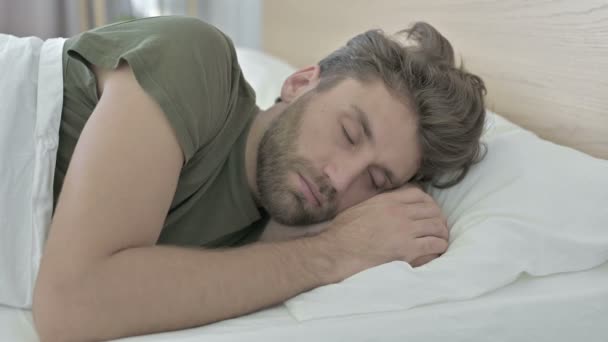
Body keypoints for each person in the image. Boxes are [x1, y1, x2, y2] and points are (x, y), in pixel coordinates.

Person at [32, 16, 486, 341]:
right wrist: (329, 254)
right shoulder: (196, 61)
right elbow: (70, 306)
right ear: (300, 82)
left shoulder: (261, 244)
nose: (340, 179)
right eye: (348, 133)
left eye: (377, 180)